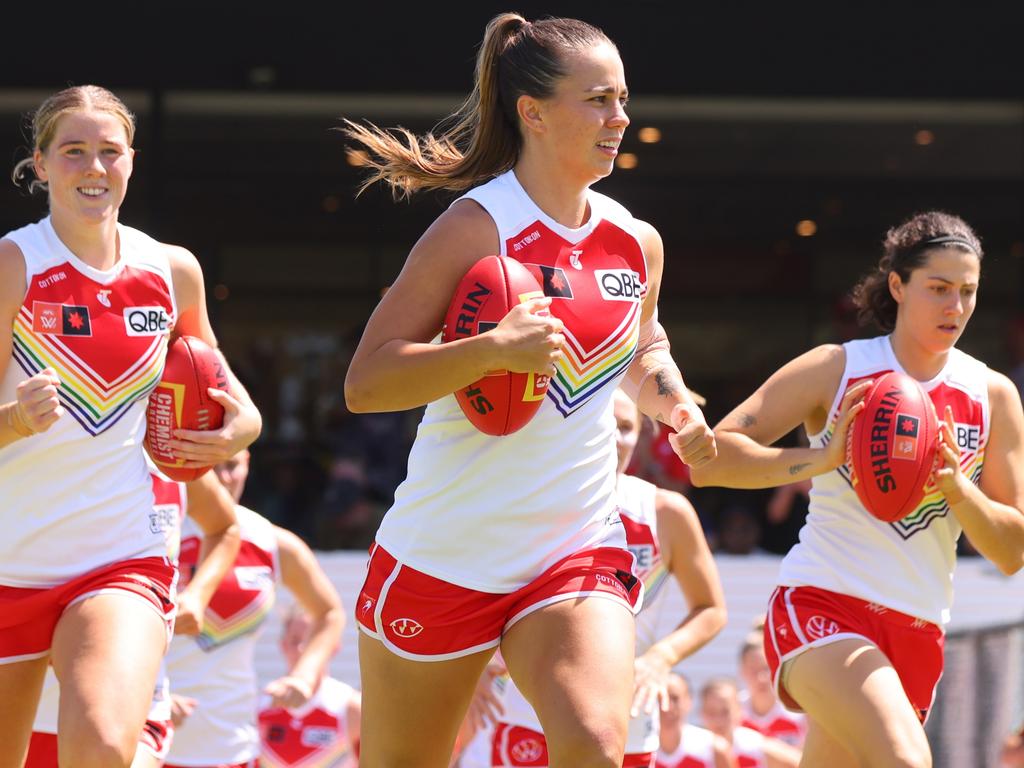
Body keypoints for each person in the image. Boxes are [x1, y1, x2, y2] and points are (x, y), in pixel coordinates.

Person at [341, 12, 715, 767]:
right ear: (534, 113)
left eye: (623, 99)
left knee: (596, 744)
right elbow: (367, 382)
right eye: (599, 101)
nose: (621, 118)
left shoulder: (634, 239)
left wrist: (673, 399)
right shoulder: (476, 227)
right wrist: (490, 350)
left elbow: (643, 345)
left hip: (573, 544)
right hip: (446, 555)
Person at [690, 211, 1024, 767]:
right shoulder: (837, 368)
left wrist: (961, 490)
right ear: (897, 285)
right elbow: (711, 460)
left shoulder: (993, 395)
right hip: (823, 603)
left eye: (968, 292)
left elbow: (1012, 552)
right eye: (938, 289)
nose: (956, 307)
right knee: (907, 761)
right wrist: (820, 458)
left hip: (918, 631)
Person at [0, 84, 262, 768]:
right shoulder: (13, 266)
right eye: (73, 151)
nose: (93, 167)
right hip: (8, 559)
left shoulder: (171, 269)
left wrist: (242, 428)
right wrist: (13, 420)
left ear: (131, 162)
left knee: (105, 748)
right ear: (42, 162)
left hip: (119, 554)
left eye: (108, 152)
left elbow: (225, 392)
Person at [471, 388, 727, 767]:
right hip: (524, 712)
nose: (613, 437)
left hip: (626, 717)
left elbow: (711, 609)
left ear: (642, 436)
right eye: (603, 424)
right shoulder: (525, 499)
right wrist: (470, 671)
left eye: (625, 427)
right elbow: (474, 592)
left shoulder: (665, 512)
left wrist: (661, 657)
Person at [26, 467, 241, 768]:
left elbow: (225, 528)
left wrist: (197, 596)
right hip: (26, 705)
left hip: (130, 711)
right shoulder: (54, 449)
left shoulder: (173, 459)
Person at [163, 449, 345, 768]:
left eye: (231, 465)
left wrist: (303, 677)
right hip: (149, 743)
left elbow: (329, 613)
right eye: (210, 468)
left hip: (235, 749)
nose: (222, 478)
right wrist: (147, 695)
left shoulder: (271, 542)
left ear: (247, 463)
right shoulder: (156, 532)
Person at [257, 604, 361, 767]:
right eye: (295, 641)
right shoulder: (258, 706)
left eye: (311, 641)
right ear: (283, 645)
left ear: (333, 647)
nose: (301, 649)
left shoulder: (352, 708)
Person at [699, 679, 800, 768]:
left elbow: (799, 762)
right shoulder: (693, 749)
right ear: (701, 713)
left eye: (725, 712)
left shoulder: (755, 747)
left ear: (739, 711)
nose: (718, 720)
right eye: (711, 712)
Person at [736, 632, 806, 749]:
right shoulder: (730, 711)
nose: (761, 678)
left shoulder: (798, 712)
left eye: (766, 668)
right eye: (753, 670)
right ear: (742, 671)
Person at [654, 674, 734, 768]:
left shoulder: (715, 749)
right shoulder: (639, 749)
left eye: (675, 699)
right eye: (660, 699)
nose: (667, 706)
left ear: (689, 701)